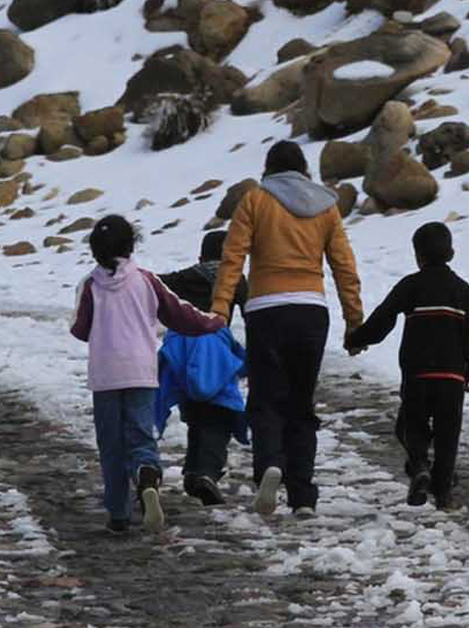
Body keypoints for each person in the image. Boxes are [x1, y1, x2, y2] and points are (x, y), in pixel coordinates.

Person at [209, 141, 365, 518]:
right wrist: (354, 320)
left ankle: (269, 469)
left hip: (266, 311)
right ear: (303, 169)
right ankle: (303, 496)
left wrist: (220, 311)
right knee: (301, 402)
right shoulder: (327, 206)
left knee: (265, 399)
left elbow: (232, 259)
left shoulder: (254, 201)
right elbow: (344, 265)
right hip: (311, 311)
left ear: (269, 169)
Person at [70, 215, 225, 534]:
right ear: (132, 244)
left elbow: (81, 329)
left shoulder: (90, 286)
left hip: (106, 375)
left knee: (111, 444)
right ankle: (146, 475)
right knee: (141, 434)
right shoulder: (146, 280)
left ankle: (118, 513)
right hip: (141, 370)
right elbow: (180, 314)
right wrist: (214, 321)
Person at [346, 221, 469, 510]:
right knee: (448, 434)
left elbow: (384, 318)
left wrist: (357, 339)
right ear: (452, 252)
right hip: (452, 376)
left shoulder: (411, 285)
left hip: (418, 373)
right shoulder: (462, 290)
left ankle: (419, 465)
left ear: (418, 256)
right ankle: (443, 494)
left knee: (410, 424)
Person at [156, 230, 249, 507]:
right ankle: (205, 472)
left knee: (195, 412)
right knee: (218, 413)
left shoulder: (184, 278)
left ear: (201, 256)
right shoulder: (236, 280)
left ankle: (193, 472)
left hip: (180, 352)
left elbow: (155, 289)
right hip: (216, 352)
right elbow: (251, 312)